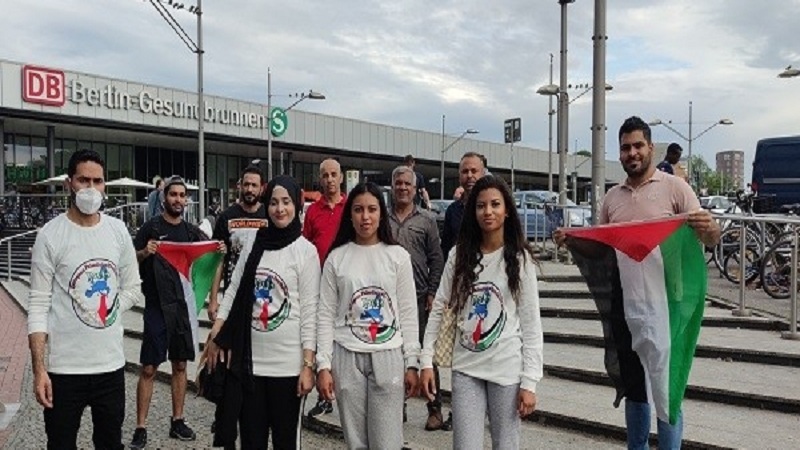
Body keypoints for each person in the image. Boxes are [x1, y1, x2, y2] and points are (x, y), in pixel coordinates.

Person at [555, 116, 720, 450]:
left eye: (638, 146)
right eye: (625, 148)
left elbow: (710, 236)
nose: (632, 153)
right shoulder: (612, 198)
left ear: (650, 148)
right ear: (620, 153)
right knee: (635, 387)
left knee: (666, 386)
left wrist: (709, 227)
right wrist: (571, 239)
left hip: (667, 305)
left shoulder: (675, 188)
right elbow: (601, 247)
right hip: (626, 304)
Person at [27, 149, 144, 449]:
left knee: (110, 443)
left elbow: (133, 287)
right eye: (83, 180)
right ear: (69, 183)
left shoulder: (118, 231)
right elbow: (38, 305)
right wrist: (39, 369)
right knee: (61, 443)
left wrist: (108, 310)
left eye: (98, 181)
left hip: (110, 366)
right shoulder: (50, 235)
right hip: (65, 370)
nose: (91, 189)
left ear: (105, 185)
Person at [420, 175, 543, 450]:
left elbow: (531, 324)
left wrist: (530, 382)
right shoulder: (458, 255)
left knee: (506, 444)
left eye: (495, 204)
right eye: (480, 205)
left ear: (507, 210)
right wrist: (426, 360)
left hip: (507, 370)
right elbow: (439, 307)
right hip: (466, 368)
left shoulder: (520, 259)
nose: (488, 211)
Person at [207, 175, 320, 449]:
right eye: (273, 203)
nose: (280, 209)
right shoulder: (254, 243)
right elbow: (234, 289)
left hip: (288, 367)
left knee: (285, 442)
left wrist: (308, 366)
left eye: (286, 202)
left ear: (297, 205)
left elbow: (309, 313)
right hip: (250, 365)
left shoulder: (305, 252)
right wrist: (217, 329)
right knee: (251, 440)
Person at [316, 182, 420, 449]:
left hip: (388, 355)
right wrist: (323, 365)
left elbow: (408, 312)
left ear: (381, 214)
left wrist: (412, 362)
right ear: (349, 215)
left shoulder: (398, 257)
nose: (365, 217)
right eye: (358, 210)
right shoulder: (336, 258)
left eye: (372, 209)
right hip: (346, 355)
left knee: (387, 442)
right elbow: (325, 314)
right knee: (356, 442)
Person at [130, 175, 226, 449]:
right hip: (156, 307)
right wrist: (145, 253)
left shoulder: (191, 232)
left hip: (182, 308)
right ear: (164, 198)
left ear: (187, 200)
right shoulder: (150, 228)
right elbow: (130, 260)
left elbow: (212, 256)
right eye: (173, 194)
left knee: (181, 365)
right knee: (149, 367)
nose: (178, 200)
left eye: (183, 196)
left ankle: (178, 420)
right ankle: (140, 427)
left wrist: (219, 250)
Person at [387, 165, 447, 430]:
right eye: (398, 183)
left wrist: (433, 292)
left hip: (420, 297)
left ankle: (435, 408)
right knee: (393, 355)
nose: (402, 187)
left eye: (407, 184)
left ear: (415, 189)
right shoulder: (382, 218)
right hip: (388, 300)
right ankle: (396, 406)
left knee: (426, 354)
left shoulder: (427, 220)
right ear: (393, 187)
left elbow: (436, 259)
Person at [302, 158, 346, 417]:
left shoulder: (350, 207)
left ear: (341, 177)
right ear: (320, 179)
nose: (330, 179)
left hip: (346, 284)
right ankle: (324, 397)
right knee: (322, 338)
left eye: (333, 174)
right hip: (320, 285)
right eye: (325, 175)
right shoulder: (312, 212)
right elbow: (306, 247)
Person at [208, 166, 268, 321]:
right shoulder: (226, 217)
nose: (250, 189)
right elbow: (218, 261)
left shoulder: (269, 216)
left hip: (263, 294)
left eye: (254, 185)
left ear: (262, 188)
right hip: (233, 294)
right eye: (246, 184)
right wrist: (213, 300)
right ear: (240, 186)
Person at [441, 152, 486, 256]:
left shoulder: (492, 209)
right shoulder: (452, 211)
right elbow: (445, 248)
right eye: (465, 171)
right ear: (459, 176)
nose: (469, 175)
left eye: (474, 171)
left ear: (483, 174)